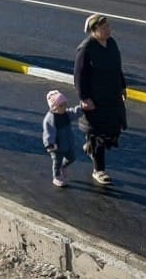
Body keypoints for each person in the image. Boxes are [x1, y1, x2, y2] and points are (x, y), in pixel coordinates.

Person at [74, 14, 128, 186]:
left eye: (108, 26)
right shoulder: (86, 49)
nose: (108, 30)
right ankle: (99, 170)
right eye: (104, 28)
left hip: (112, 96)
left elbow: (117, 67)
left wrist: (123, 87)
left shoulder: (111, 43)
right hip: (96, 99)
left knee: (113, 130)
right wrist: (84, 98)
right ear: (94, 30)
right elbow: (79, 76)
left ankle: (90, 147)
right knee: (98, 134)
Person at [42, 90, 83, 187]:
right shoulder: (50, 119)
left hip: (68, 144)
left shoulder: (66, 114)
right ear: (54, 107)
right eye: (61, 106)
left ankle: (63, 167)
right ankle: (56, 177)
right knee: (56, 162)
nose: (64, 107)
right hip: (57, 147)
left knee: (72, 158)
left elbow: (74, 113)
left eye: (65, 104)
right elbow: (48, 132)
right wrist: (50, 144)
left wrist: (82, 108)